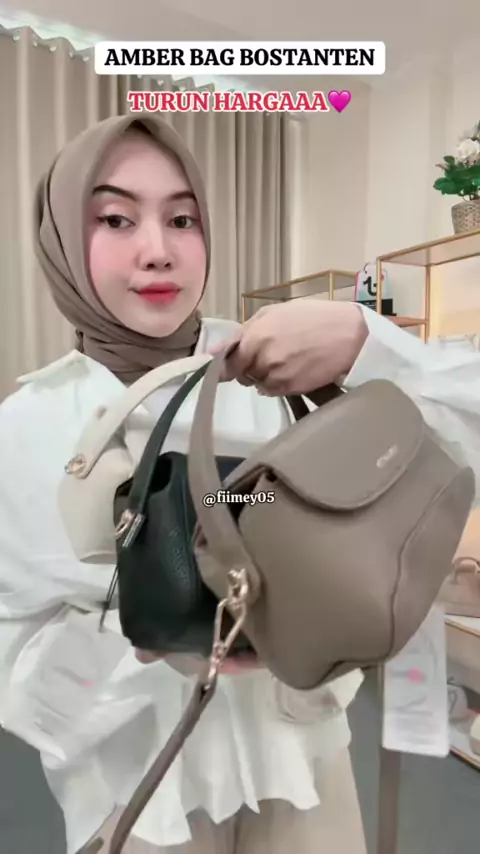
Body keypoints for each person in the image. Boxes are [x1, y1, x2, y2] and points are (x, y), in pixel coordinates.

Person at [0, 113, 476, 854]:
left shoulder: (276, 368)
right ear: (62, 237)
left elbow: (452, 437)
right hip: (143, 791)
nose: (158, 250)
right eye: (116, 219)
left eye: (182, 218)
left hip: (304, 758)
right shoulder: (29, 425)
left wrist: (367, 344)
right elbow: (13, 648)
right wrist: (143, 652)